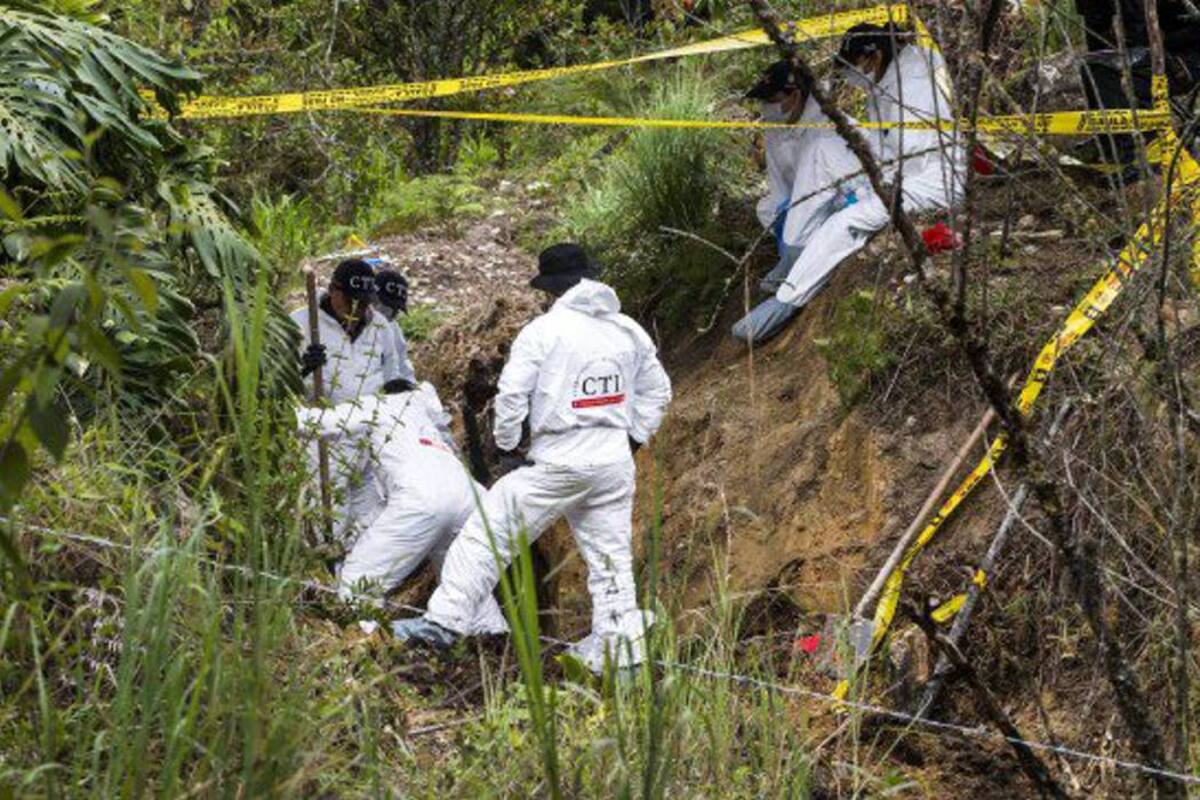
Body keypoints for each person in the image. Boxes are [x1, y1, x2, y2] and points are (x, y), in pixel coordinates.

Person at [391, 243, 673, 674]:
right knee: (610, 562)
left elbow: (512, 397)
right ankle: (624, 658)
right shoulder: (628, 330)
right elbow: (658, 392)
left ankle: (444, 624)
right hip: (613, 463)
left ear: (551, 288)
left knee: (487, 534)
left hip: (559, 459)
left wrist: (508, 448)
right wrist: (632, 439)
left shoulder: (543, 331)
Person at [733, 23, 964, 346]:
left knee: (846, 222)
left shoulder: (913, 85)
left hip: (930, 180)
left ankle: (786, 301)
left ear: (874, 56)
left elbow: (913, 153)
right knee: (823, 155)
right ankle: (794, 255)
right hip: (897, 172)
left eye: (854, 65)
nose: (853, 76)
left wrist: (868, 188)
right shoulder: (887, 83)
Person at [296, 378, 508, 634]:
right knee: (465, 587)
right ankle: (494, 639)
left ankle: (366, 645)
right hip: (473, 500)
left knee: (360, 581)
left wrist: (279, 411)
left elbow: (320, 422)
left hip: (423, 498)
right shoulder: (426, 416)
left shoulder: (379, 404)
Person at [292, 258, 401, 541]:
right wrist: (303, 369)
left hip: (368, 441)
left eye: (363, 303)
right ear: (333, 291)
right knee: (328, 523)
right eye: (351, 301)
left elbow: (392, 378)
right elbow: (279, 385)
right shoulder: (301, 324)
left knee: (371, 525)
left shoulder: (380, 327)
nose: (357, 309)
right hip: (323, 444)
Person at [745, 59, 867, 294]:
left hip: (842, 202)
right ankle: (794, 258)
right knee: (767, 209)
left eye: (772, 99)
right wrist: (786, 218)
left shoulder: (829, 129)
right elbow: (780, 184)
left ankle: (807, 262)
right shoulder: (777, 126)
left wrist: (797, 233)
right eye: (764, 101)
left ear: (795, 95)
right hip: (802, 201)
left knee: (814, 231)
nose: (767, 107)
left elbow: (853, 188)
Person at [1074, 0, 1200, 170]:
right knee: (1092, 67)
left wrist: (1159, 42)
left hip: (1184, 62)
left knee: (1107, 75)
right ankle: (1111, 141)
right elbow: (1100, 29)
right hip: (1160, 52)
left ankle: (1135, 150)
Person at [371, 265, 418, 386]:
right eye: (385, 309)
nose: (388, 316)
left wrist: (409, 387)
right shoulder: (350, 324)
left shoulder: (393, 330)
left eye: (395, 311)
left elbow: (403, 366)